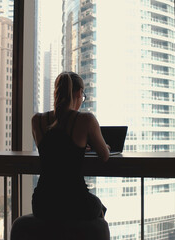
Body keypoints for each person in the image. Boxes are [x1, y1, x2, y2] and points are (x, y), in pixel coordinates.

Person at [31, 71, 110, 221]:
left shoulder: (37, 120)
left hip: (42, 203)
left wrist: (78, 147)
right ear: (80, 93)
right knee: (98, 206)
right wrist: (100, 145)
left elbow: (52, 150)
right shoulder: (86, 119)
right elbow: (105, 156)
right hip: (75, 201)